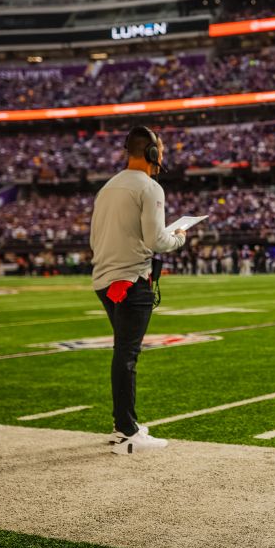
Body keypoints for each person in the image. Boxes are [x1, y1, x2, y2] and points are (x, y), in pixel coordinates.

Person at [90, 126, 186, 454]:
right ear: (152, 154)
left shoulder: (108, 187)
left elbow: (96, 238)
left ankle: (123, 424)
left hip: (105, 280)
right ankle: (128, 431)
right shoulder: (149, 187)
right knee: (127, 354)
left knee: (123, 352)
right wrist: (179, 237)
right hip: (131, 279)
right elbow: (155, 240)